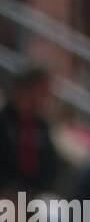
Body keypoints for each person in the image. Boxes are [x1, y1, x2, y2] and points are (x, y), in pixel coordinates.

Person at [0, 64, 68, 198]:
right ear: (26, 90)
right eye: (42, 93)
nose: (45, 100)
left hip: (33, 195)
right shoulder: (4, 122)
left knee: (56, 211)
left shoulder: (41, 127)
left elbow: (50, 169)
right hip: (6, 194)